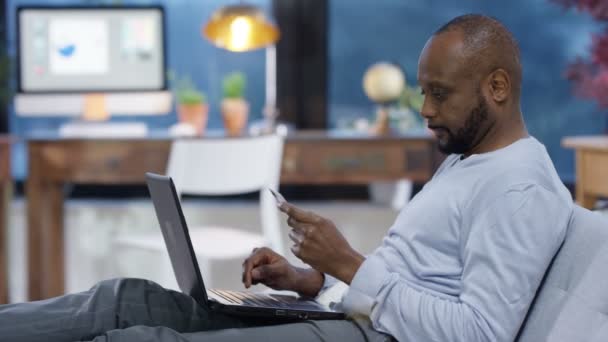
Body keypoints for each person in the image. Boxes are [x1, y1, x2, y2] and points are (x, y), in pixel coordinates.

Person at [0, 14, 573, 342]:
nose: (424, 109)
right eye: (422, 91)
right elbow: (405, 286)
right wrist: (310, 281)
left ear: (497, 87)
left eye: (439, 94)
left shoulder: (519, 187)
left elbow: (479, 335)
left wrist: (347, 263)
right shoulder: (468, 163)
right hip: (347, 316)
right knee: (119, 300)